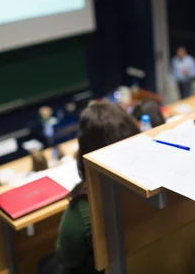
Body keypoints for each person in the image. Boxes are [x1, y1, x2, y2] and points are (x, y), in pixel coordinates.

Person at [45, 103, 140, 274]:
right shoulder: (153, 181)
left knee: (46, 265)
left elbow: (68, 257)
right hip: (159, 261)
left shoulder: (84, 206)